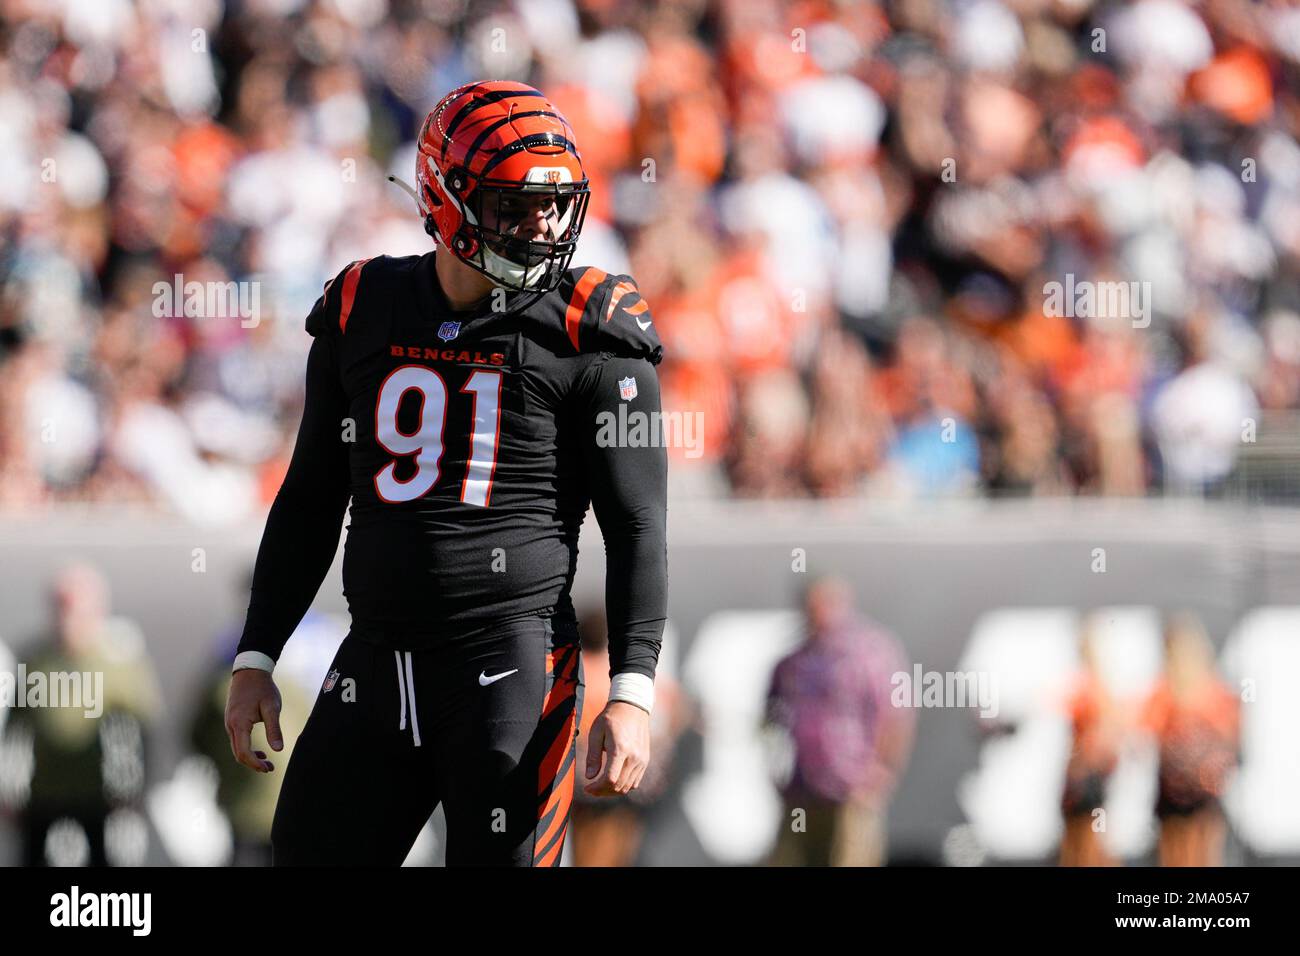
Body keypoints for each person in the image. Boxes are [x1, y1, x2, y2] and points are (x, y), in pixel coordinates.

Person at [223, 81, 669, 866]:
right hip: (377, 658)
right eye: (513, 205)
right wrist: (258, 653)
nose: (542, 225)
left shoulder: (589, 329)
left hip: (510, 666)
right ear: (445, 197)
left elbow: (637, 524)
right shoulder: (366, 303)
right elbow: (310, 495)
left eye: (553, 204)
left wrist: (631, 691)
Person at [11, 563, 162, 866]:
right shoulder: (36, 659)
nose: (68, 619)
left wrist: (138, 788)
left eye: (76, 609)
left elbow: (144, 726)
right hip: (42, 792)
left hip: (93, 793)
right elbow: (14, 728)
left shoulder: (116, 662)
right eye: (62, 608)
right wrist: (8, 792)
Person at [764, 577, 914, 866]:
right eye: (815, 605)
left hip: (852, 789)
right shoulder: (792, 663)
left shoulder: (870, 654)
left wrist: (883, 771)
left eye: (830, 603)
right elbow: (770, 719)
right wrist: (775, 771)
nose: (823, 612)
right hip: (801, 790)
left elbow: (897, 715)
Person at [1141, 613, 1240, 867]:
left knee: (1196, 850)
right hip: (1176, 790)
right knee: (1181, 851)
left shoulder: (1209, 690)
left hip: (1198, 790)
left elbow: (1229, 734)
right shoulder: (1167, 692)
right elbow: (1147, 729)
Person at [1058, 622, 1122, 867]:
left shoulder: (1090, 689)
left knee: (1087, 843)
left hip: (1087, 779)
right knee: (1086, 841)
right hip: (1090, 778)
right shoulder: (1100, 687)